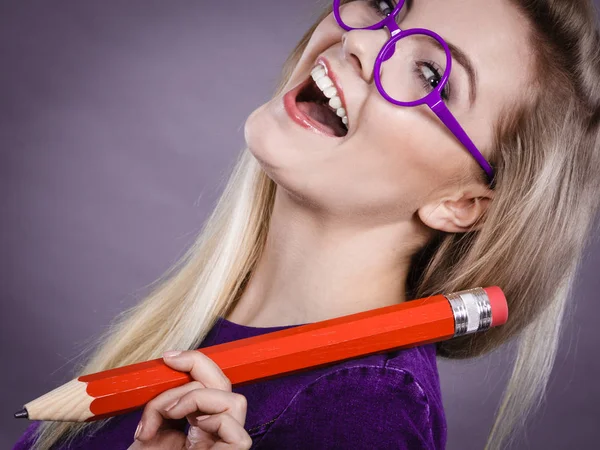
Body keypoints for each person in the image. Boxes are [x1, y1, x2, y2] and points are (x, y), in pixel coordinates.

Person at [12, 0, 600, 449]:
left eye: (430, 77)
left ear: (462, 202)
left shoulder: (367, 411)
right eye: (386, 4)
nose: (363, 44)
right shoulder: (196, 322)